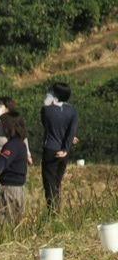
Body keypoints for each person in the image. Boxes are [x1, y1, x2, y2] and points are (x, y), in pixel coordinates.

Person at [0, 111, 32, 224]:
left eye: (2, 125)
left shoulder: (12, 145)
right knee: (14, 225)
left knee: (1, 224)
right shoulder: (20, 144)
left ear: (8, 128)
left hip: (8, 191)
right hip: (18, 189)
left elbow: (2, 163)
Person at [42, 82, 80, 210]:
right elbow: (71, 132)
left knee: (49, 183)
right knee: (57, 182)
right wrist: (65, 148)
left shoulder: (46, 110)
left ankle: (52, 212)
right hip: (65, 151)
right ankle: (58, 210)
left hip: (50, 149)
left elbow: (47, 127)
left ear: (55, 95)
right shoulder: (72, 111)